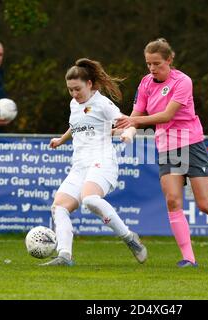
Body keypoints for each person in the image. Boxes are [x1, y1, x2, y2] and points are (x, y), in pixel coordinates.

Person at [116, 38, 208, 268]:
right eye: (148, 64)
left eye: (157, 64)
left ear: (169, 60)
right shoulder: (145, 83)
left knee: (206, 204)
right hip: (166, 147)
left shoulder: (183, 81)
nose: (152, 69)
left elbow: (166, 115)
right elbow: (136, 113)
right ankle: (189, 259)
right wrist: (126, 130)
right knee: (173, 201)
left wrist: (133, 121)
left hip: (190, 144)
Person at [40, 58, 147, 266]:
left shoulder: (102, 104)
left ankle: (129, 238)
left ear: (89, 84)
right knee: (59, 207)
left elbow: (129, 122)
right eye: (70, 90)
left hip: (102, 161)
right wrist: (61, 140)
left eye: (77, 89)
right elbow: (77, 125)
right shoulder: (74, 104)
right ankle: (64, 256)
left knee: (89, 199)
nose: (74, 94)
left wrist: (128, 134)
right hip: (79, 165)